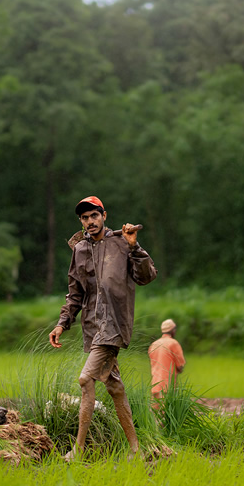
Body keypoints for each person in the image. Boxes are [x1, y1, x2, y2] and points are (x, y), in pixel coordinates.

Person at [49, 195, 158, 461]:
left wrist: (135, 248)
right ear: (81, 221)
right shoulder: (80, 250)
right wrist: (63, 323)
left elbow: (147, 277)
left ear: (104, 216)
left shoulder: (122, 243)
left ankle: (78, 450)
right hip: (93, 328)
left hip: (115, 326)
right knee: (115, 387)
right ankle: (136, 451)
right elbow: (74, 293)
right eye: (85, 218)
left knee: (86, 380)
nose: (90, 222)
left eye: (94, 216)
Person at [148, 318, 186, 408]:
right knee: (167, 414)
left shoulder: (154, 344)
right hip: (168, 386)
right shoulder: (173, 343)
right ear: (172, 330)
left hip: (155, 385)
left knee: (155, 415)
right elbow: (180, 366)